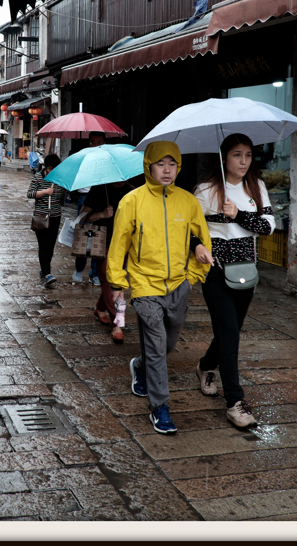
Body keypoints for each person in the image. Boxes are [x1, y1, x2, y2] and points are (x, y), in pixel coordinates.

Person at [106, 141, 214, 435]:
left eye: (172, 164)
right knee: (156, 346)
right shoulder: (132, 201)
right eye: (160, 164)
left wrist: (192, 278)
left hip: (179, 285)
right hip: (144, 285)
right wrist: (118, 282)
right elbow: (119, 244)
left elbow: (200, 239)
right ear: (148, 167)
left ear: (179, 167)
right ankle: (160, 407)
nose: (167, 171)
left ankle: (139, 366)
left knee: (167, 346)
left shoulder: (188, 201)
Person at [190, 133, 274, 429]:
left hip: (246, 270)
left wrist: (239, 215)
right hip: (214, 271)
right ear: (224, 157)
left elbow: (267, 227)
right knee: (230, 333)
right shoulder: (204, 191)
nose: (243, 161)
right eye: (237, 155)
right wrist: (197, 246)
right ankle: (235, 402)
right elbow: (189, 229)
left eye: (248, 155)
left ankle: (204, 366)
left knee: (231, 330)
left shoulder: (258, 188)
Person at [79, 179, 135, 343]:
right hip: (102, 243)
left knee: (111, 280)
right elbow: (82, 216)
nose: (119, 182)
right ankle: (117, 324)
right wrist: (102, 214)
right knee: (110, 280)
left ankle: (100, 308)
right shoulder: (98, 190)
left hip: (124, 245)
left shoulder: (133, 192)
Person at [72, 131, 108, 286]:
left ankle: (94, 273)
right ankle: (79, 269)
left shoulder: (107, 160)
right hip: (84, 197)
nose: (95, 145)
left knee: (98, 236)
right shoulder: (83, 158)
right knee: (83, 233)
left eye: (99, 142)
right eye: (92, 141)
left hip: (100, 198)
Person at [27, 153, 66, 288]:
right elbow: (30, 193)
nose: (52, 172)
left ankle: (44, 268)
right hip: (41, 217)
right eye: (50, 169)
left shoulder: (60, 179)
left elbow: (62, 196)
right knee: (43, 245)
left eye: (55, 169)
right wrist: (44, 192)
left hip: (55, 216)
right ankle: (48, 274)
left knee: (50, 246)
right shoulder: (38, 178)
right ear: (46, 167)